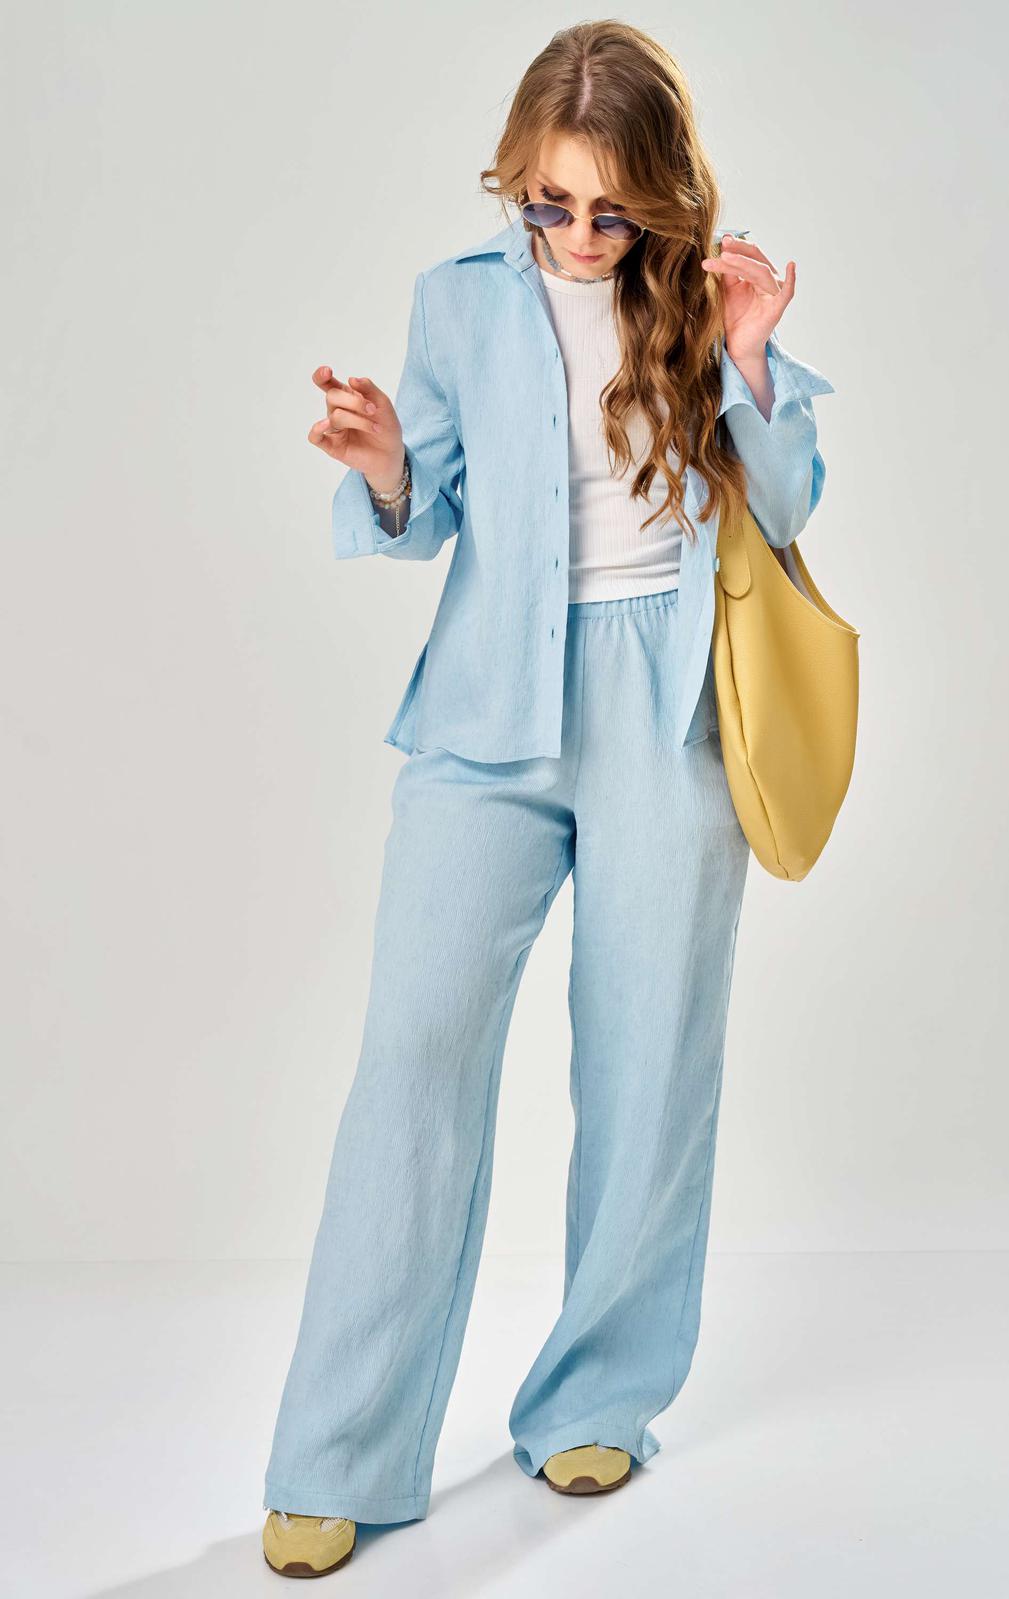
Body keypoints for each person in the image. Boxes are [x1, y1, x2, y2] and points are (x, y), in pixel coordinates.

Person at [261, 19, 835, 1580]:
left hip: (667, 707)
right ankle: (340, 1452)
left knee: (648, 1064)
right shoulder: (455, 303)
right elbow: (418, 521)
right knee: (412, 1062)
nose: (579, 236)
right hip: (487, 712)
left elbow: (787, 503)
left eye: (610, 210)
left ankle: (597, 1399)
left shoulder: (701, 299)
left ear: (658, 197)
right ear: (512, 181)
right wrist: (386, 460)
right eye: (549, 204)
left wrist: (751, 354)